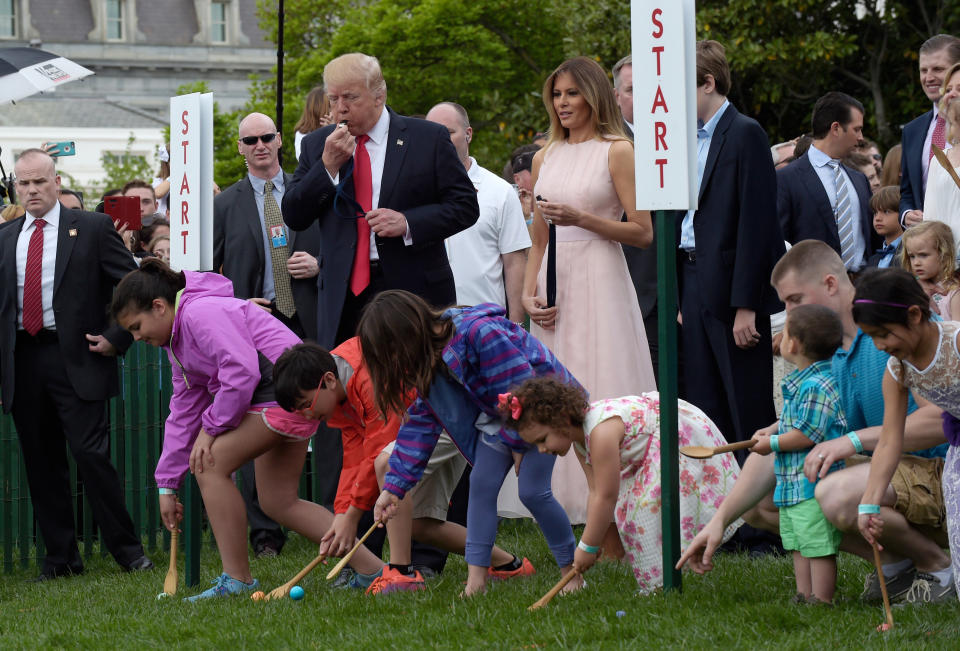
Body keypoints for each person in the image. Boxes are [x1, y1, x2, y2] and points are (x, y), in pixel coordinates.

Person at [677, 241, 952, 605]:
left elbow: (939, 420)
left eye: (794, 300)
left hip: (938, 474)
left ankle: (937, 566)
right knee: (764, 495)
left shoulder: (896, 329)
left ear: (830, 284)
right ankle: (896, 564)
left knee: (832, 494)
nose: (788, 313)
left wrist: (850, 441)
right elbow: (810, 429)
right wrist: (722, 519)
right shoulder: (826, 352)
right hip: (885, 471)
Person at [110, 260, 387, 601]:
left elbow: (241, 372)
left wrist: (210, 430)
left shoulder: (199, 313)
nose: (137, 338)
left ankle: (237, 579)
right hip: (290, 401)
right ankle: (374, 570)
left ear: (159, 306)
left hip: (285, 397)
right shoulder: (178, 341)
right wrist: (166, 484)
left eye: (137, 327)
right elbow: (182, 411)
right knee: (278, 502)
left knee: (208, 463)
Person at [364, 290, 583, 597]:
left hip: (543, 413)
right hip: (501, 417)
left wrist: (520, 443)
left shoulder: (480, 333)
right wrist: (393, 489)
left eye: (392, 354)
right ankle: (475, 583)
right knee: (481, 484)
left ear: (406, 335)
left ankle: (571, 574)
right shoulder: (428, 365)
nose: (396, 365)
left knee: (532, 491)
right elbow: (419, 430)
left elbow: (521, 385)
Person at [0, 148, 151, 580]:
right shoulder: (6, 237)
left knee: (91, 456)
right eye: (23, 183)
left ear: (57, 182)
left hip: (80, 358)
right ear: (15, 186)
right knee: (41, 462)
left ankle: (129, 552)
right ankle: (61, 558)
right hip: (23, 361)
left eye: (39, 181)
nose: (31, 189)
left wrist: (118, 336)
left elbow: (131, 285)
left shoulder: (91, 227)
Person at [272, 339, 525, 593]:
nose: (307, 415)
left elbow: (379, 447)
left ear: (328, 380)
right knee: (418, 525)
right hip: (428, 419)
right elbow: (353, 457)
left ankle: (401, 574)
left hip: (446, 414)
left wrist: (351, 517)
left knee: (388, 464)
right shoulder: (339, 388)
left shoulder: (365, 378)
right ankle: (509, 565)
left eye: (306, 404)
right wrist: (341, 515)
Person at [523, 56, 654, 525]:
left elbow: (643, 232)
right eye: (556, 94)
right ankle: (569, 500)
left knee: (604, 376)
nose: (562, 103)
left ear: (594, 96)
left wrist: (585, 221)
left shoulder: (617, 150)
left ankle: (622, 498)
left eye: (572, 93)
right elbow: (538, 238)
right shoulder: (545, 156)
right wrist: (526, 294)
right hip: (555, 285)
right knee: (560, 378)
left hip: (601, 274)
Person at [281, 52, 479, 349]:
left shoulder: (427, 138)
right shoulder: (317, 145)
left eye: (350, 97)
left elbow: (465, 206)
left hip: (411, 289)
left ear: (379, 95)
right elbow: (294, 214)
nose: (340, 108)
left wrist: (408, 222)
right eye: (333, 99)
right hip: (343, 294)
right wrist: (327, 167)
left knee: (416, 386)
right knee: (351, 386)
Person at [502, 377, 741, 594]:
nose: (543, 450)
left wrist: (587, 546)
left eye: (542, 440)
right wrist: (590, 541)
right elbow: (595, 491)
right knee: (631, 511)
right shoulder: (580, 443)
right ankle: (660, 583)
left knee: (641, 512)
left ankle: (660, 586)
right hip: (649, 453)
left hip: (672, 437)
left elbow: (606, 496)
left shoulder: (600, 432)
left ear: (562, 419)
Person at [214, 111, 325, 558]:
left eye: (266, 137)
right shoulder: (225, 205)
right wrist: (239, 305)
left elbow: (346, 249)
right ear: (239, 148)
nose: (260, 145)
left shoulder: (310, 191)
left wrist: (319, 267)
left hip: (310, 319)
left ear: (280, 141)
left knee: (325, 415)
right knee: (257, 421)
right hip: (255, 325)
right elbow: (207, 273)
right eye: (250, 139)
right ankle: (265, 534)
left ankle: (333, 515)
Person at [676, 41, 784, 470]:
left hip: (732, 287)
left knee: (746, 402)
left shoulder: (745, 133)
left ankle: (762, 521)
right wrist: (684, 297)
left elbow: (757, 227)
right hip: (691, 280)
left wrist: (746, 307)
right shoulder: (684, 141)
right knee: (704, 401)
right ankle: (722, 507)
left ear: (708, 82)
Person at [855, 268, 960, 601]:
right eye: (870, 336)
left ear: (915, 315)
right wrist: (869, 502)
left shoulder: (956, 343)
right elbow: (890, 439)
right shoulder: (898, 369)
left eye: (883, 333)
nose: (879, 345)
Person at [751, 304, 848, 604]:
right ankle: (804, 594)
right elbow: (796, 420)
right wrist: (772, 428)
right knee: (797, 541)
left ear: (794, 344)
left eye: (785, 332)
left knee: (816, 543)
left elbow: (808, 433)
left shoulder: (818, 384)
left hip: (812, 482)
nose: (780, 337)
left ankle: (823, 598)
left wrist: (773, 444)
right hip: (793, 481)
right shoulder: (803, 382)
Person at [425, 102, 530, 322]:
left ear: (468, 134)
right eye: (432, 133)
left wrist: (517, 324)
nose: (439, 140)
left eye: (449, 132)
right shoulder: (413, 192)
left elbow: (514, 263)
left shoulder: (499, 191)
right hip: (427, 325)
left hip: (486, 324)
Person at [778, 92, 879, 271]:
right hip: (814, 289)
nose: (861, 137)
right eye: (857, 129)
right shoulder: (786, 179)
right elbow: (778, 242)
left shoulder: (859, 180)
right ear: (836, 128)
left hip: (863, 289)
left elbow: (874, 238)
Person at [613, 54, 661, 378]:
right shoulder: (607, 144)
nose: (640, 98)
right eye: (631, 90)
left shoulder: (678, 140)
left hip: (671, 294)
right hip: (621, 285)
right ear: (617, 96)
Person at [900, 34, 960, 228]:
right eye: (923, 70)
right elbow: (907, 192)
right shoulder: (911, 131)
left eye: (938, 69)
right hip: (929, 247)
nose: (928, 77)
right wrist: (907, 214)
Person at [922, 81, 960, 243]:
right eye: (951, 122)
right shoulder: (939, 159)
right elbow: (930, 215)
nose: (953, 128)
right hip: (945, 250)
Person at [900, 219, 960, 320]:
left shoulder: (954, 293)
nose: (916, 263)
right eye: (912, 256)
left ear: (944, 254)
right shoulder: (912, 289)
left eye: (923, 255)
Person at [866, 185, 904, 269]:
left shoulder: (911, 255)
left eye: (886, 212)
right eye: (875, 213)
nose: (878, 218)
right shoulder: (873, 260)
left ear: (902, 213)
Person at [294, 86, 333, 161]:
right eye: (329, 107)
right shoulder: (302, 134)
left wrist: (333, 130)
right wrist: (325, 134)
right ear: (318, 109)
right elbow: (307, 160)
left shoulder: (339, 127)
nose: (332, 111)